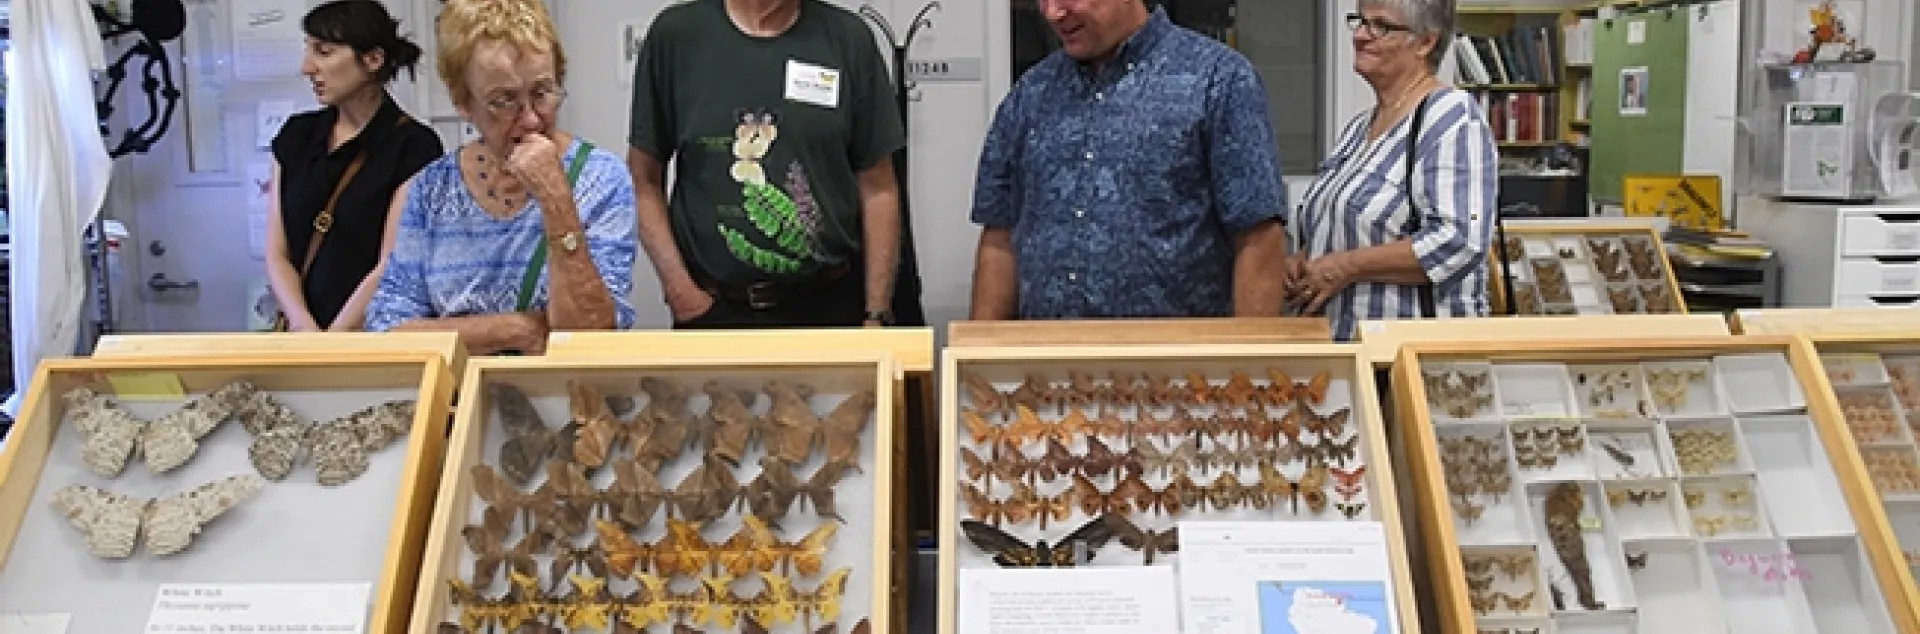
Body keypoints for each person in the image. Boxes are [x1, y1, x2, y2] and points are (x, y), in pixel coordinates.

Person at [967, 0, 1287, 320]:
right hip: (1046, 359)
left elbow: (1258, 237)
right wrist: (977, 356)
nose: (1052, 13)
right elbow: (1000, 237)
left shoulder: (1219, 81)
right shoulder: (1030, 96)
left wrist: (1247, 365)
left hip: (1178, 361)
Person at [365, 0, 638, 354]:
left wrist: (556, 200)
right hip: (459, 402)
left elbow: (592, 338)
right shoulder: (431, 191)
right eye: (504, 101)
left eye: (542, 93)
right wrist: (514, 329)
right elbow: (388, 330)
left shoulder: (600, 178)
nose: (531, 121)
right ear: (463, 102)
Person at [627, 0, 905, 329]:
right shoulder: (677, 36)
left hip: (828, 308)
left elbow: (879, 186)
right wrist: (680, 291)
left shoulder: (848, 39)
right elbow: (643, 179)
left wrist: (876, 312)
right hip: (713, 311)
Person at [1289, 0, 1498, 341]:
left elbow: (1458, 240)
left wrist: (1346, 267)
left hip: (1410, 361)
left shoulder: (1452, 118)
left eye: (1381, 27)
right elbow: (1354, 226)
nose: (1360, 35)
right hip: (1354, 351)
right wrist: (1306, 261)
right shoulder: (1359, 128)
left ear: (1425, 42)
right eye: (1359, 21)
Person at [267, 0, 442, 332]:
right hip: (299, 336)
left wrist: (334, 340)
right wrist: (304, 328)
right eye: (309, 50)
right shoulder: (297, 136)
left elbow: (390, 263)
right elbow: (278, 253)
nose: (308, 67)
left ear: (373, 60)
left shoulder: (414, 145)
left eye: (324, 52)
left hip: (375, 334)